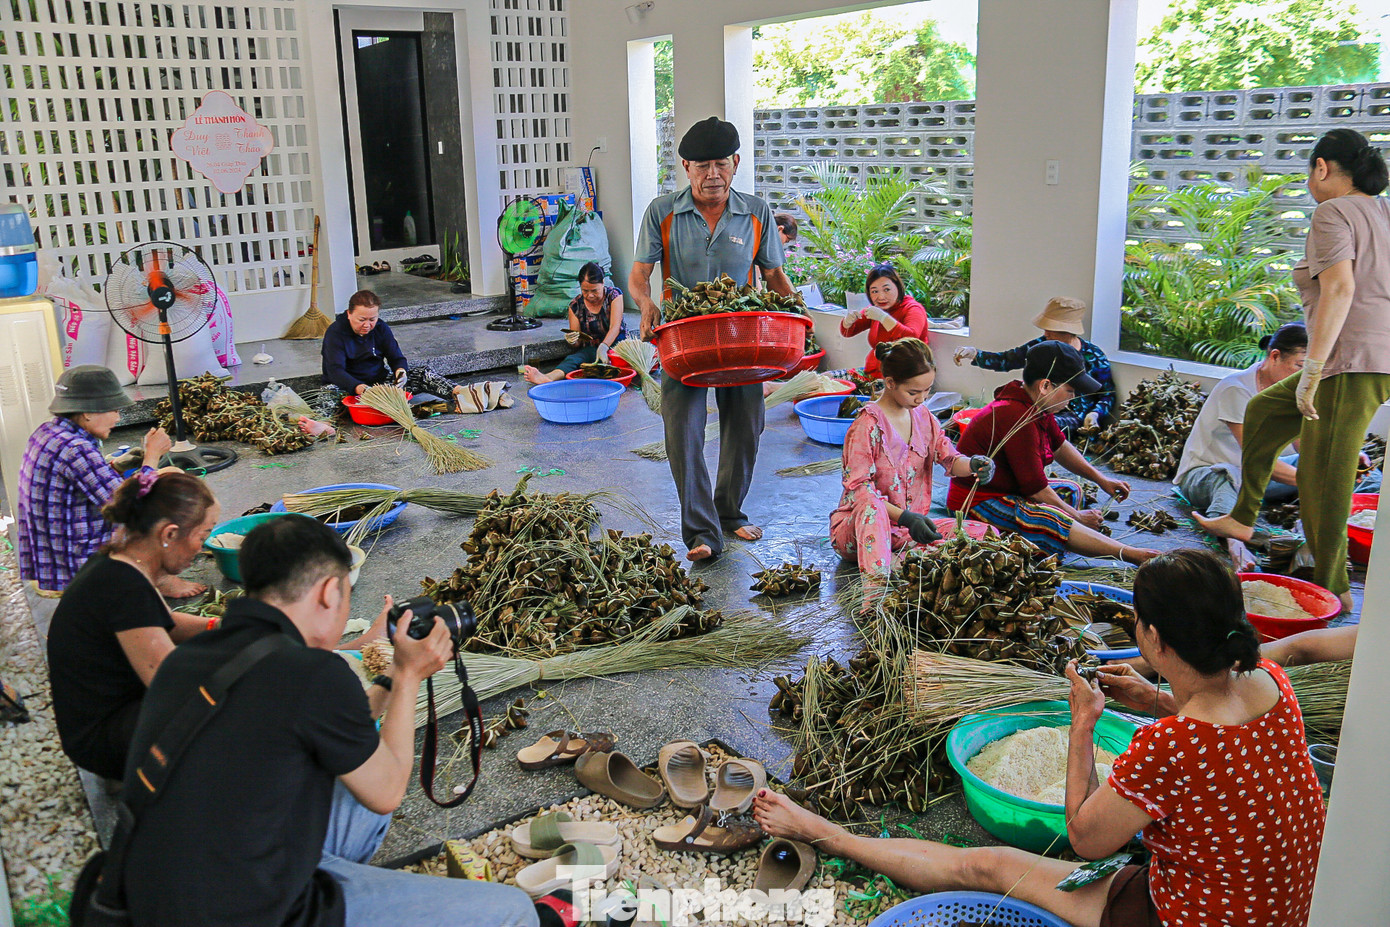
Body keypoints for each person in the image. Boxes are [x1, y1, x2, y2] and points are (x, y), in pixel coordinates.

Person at [753, 548, 1326, 927]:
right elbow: (1220, 738)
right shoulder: (1267, 680)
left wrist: (1082, 728)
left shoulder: (1170, 746)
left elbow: (1085, 840)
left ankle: (826, 833)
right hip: (1283, 902)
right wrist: (1155, 700)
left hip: (1200, 916)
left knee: (990, 867)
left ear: (1153, 638)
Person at [118, 515, 539, 927]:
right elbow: (388, 790)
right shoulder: (312, 672)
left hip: (155, 891)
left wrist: (391, 678)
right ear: (326, 593)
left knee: (356, 792)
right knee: (513, 910)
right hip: (250, 911)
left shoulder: (188, 657)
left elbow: (341, 730)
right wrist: (411, 676)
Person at [1196, 129, 1390, 613]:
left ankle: (1334, 590)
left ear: (1322, 168)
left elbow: (1339, 290)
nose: (1309, 180)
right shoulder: (1384, 213)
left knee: (1326, 478)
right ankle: (1242, 518)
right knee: (1262, 411)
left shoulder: (1334, 211)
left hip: (1350, 363)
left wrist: (1313, 369)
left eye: (1309, 170)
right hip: (1367, 358)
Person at [629, 115, 794, 562]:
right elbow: (640, 275)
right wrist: (646, 305)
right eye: (701, 165)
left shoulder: (756, 211)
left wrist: (798, 316)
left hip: (742, 339)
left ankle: (730, 512)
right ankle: (701, 531)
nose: (711, 174)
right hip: (682, 340)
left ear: (736, 163)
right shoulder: (662, 211)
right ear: (686, 167)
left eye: (720, 163)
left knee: (746, 426)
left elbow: (774, 275)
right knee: (682, 430)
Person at [47, 471, 219, 781]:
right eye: (202, 535)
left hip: (104, 719)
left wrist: (219, 626)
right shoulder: (124, 586)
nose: (201, 547)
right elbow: (172, 687)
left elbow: (161, 623)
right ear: (168, 535)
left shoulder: (120, 561)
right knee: (226, 709)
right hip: (102, 739)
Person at [947, 342, 1159, 564]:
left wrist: (1101, 479)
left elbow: (1060, 446)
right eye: (1070, 390)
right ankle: (1130, 554)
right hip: (976, 503)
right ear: (1046, 386)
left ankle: (1063, 537)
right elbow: (1036, 489)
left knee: (1071, 490)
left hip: (1011, 490)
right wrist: (1076, 517)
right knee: (1053, 518)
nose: (1072, 398)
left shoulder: (1035, 403)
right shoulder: (1015, 416)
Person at [15, 364, 206, 597]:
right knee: (170, 484)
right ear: (88, 412)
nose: (118, 417)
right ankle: (161, 578)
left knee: (165, 476)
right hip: (75, 564)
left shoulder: (48, 432)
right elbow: (130, 506)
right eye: (113, 410)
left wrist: (115, 466)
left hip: (54, 554)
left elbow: (82, 484)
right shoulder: (76, 449)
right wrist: (152, 455)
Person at [830, 339, 994, 582]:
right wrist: (905, 517)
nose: (921, 398)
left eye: (927, 391)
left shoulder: (924, 417)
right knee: (872, 506)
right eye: (913, 392)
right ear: (890, 383)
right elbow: (859, 491)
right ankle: (877, 596)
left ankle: (898, 562)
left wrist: (972, 465)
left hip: (908, 533)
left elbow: (948, 456)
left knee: (985, 534)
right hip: (862, 532)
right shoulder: (867, 426)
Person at [952, 296, 1115, 436]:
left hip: (1072, 417)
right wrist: (974, 353)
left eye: (1051, 330)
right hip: (1039, 408)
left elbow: (1107, 394)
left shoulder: (1094, 357)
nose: (1046, 334)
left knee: (1034, 425)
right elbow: (1007, 360)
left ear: (1068, 332)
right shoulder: (1042, 347)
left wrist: (1095, 414)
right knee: (1002, 414)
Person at [321, 289, 460, 404]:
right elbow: (335, 371)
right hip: (348, 386)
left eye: (372, 319)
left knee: (423, 374)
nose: (367, 325)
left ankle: (461, 393)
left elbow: (396, 357)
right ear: (349, 314)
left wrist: (401, 372)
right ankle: (324, 425)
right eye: (361, 320)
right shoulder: (336, 332)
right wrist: (360, 388)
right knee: (329, 395)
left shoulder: (381, 328)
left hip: (378, 383)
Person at [523, 262, 627, 385]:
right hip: (591, 349)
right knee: (574, 359)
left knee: (619, 360)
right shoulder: (575, 306)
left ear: (603, 283)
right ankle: (548, 377)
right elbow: (577, 343)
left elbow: (615, 327)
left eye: (594, 290)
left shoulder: (614, 296)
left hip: (617, 346)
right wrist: (572, 340)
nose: (590, 295)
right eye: (585, 291)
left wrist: (604, 347)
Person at [839, 264, 930, 379]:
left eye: (887, 289)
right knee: (825, 378)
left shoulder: (912, 308)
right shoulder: (876, 309)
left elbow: (911, 337)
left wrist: (883, 318)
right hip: (873, 373)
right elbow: (848, 331)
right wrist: (848, 321)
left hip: (902, 378)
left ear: (898, 287)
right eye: (874, 291)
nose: (881, 297)